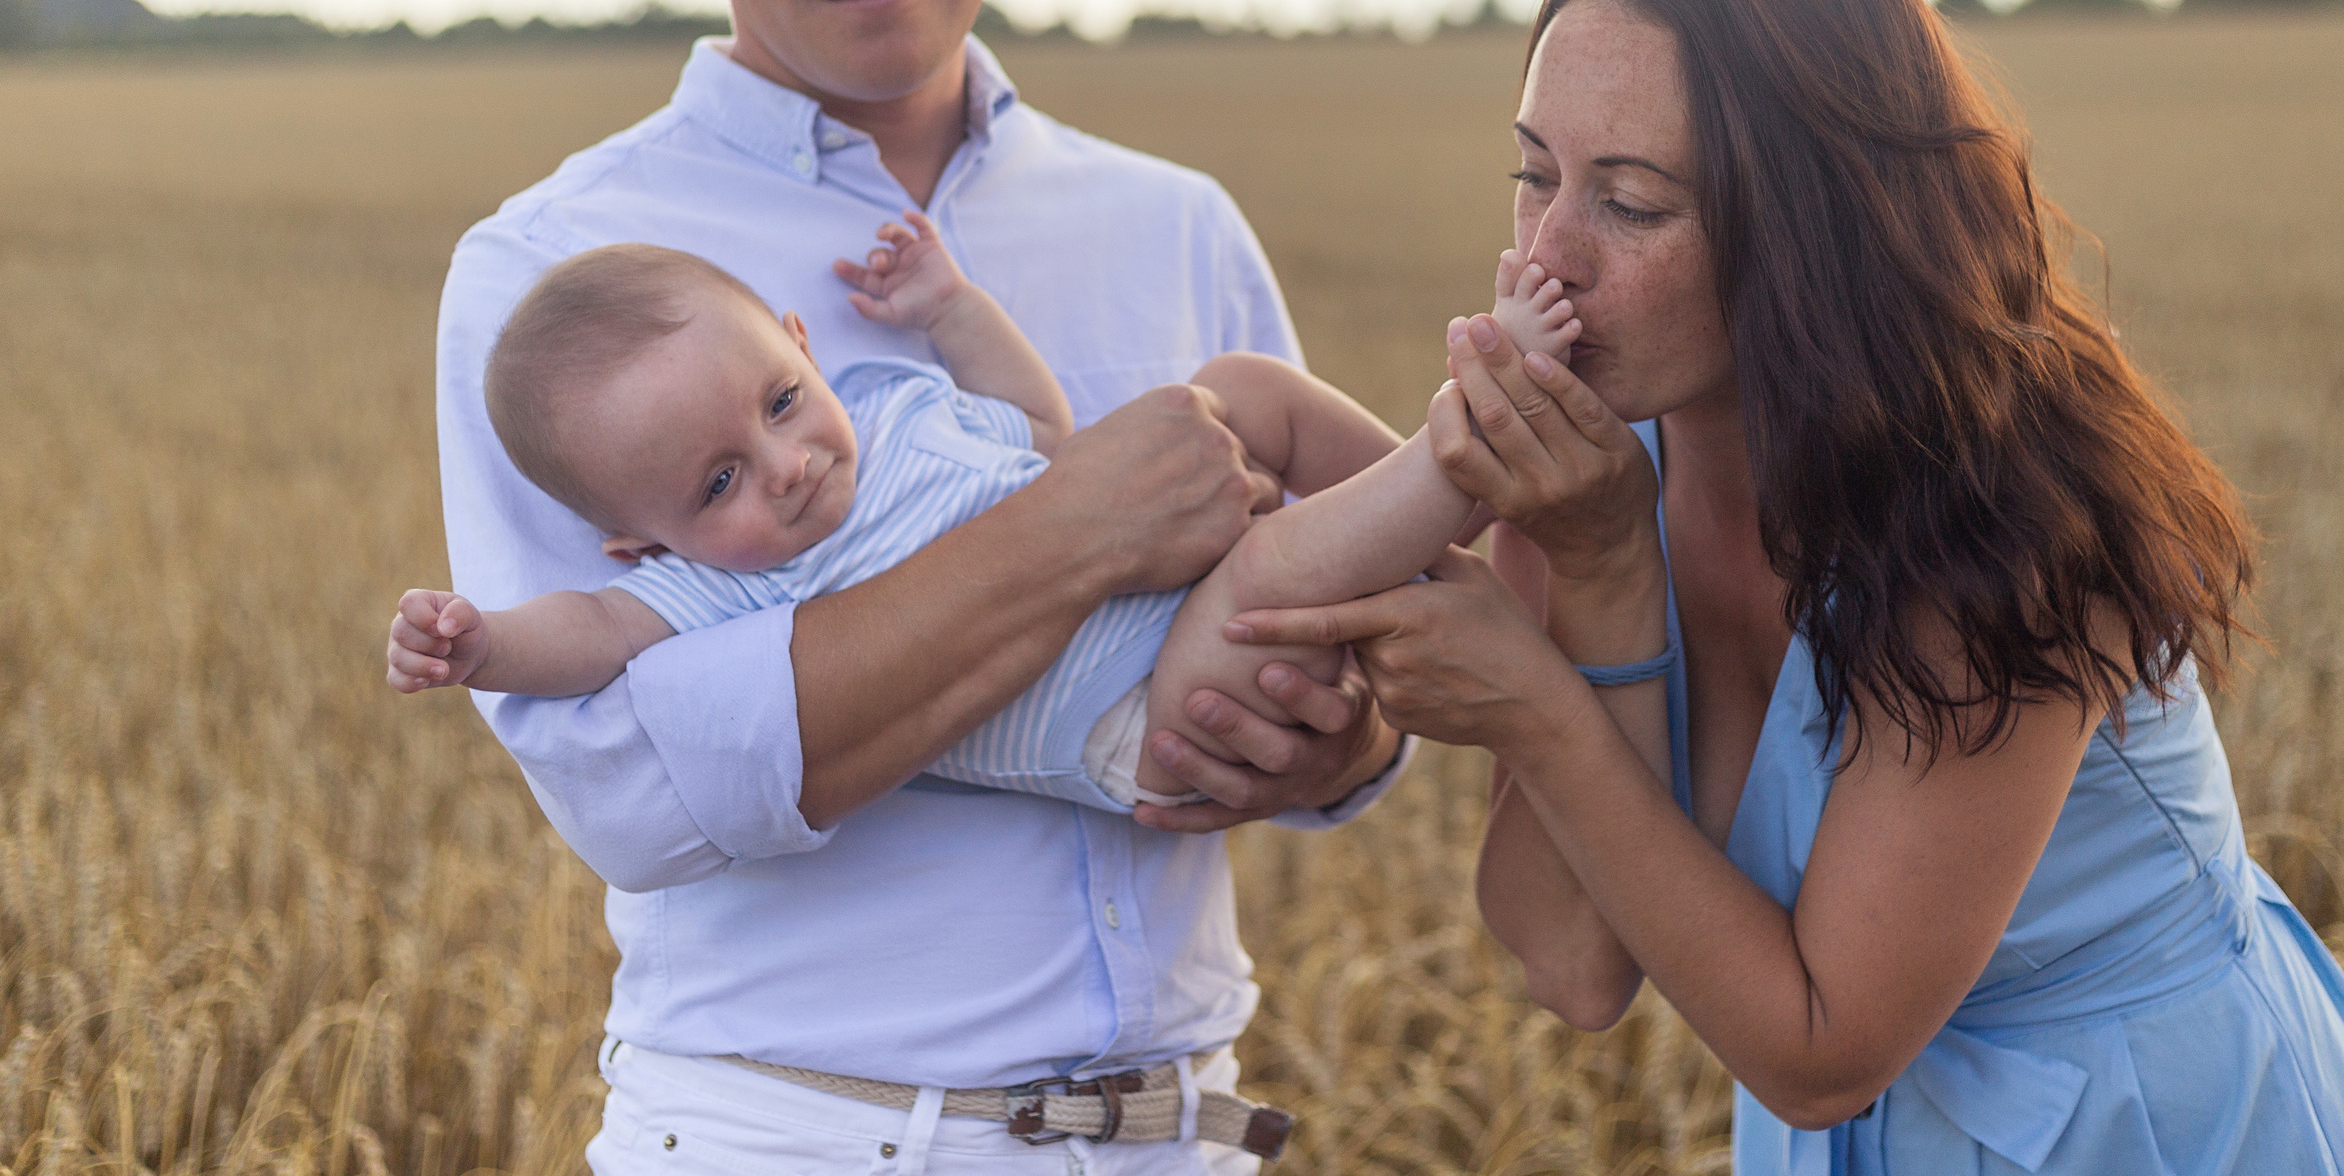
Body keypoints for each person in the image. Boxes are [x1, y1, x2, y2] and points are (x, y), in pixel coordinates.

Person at [432, 0, 1405, 1173]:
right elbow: (643, 787)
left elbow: (1341, 667)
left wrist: (1345, 741)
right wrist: (1074, 529)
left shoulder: (1172, 223)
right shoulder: (549, 278)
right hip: (789, 1138)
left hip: (1182, 1130)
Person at [1224, 0, 2344, 1172]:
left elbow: (1817, 1049)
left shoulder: (1999, 509)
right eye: (1533, 176)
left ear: (1814, 223)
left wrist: (1528, 697)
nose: (1545, 261)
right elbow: (1569, 967)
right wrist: (1600, 563)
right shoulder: (1597, 458)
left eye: (1629, 204)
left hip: (2151, 1121)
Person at [398, 228, 1576, 808]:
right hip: (1131, 718)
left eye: (778, 403)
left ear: (806, 350)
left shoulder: (895, 408)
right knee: (1271, 564)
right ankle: (1471, 444)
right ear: (640, 541)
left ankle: (1462, 526)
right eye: (715, 484)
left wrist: (952, 308)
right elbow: (592, 635)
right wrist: (484, 645)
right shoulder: (716, 586)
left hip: (1166, 610)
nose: (783, 468)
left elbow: (1039, 428)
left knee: (1242, 387)